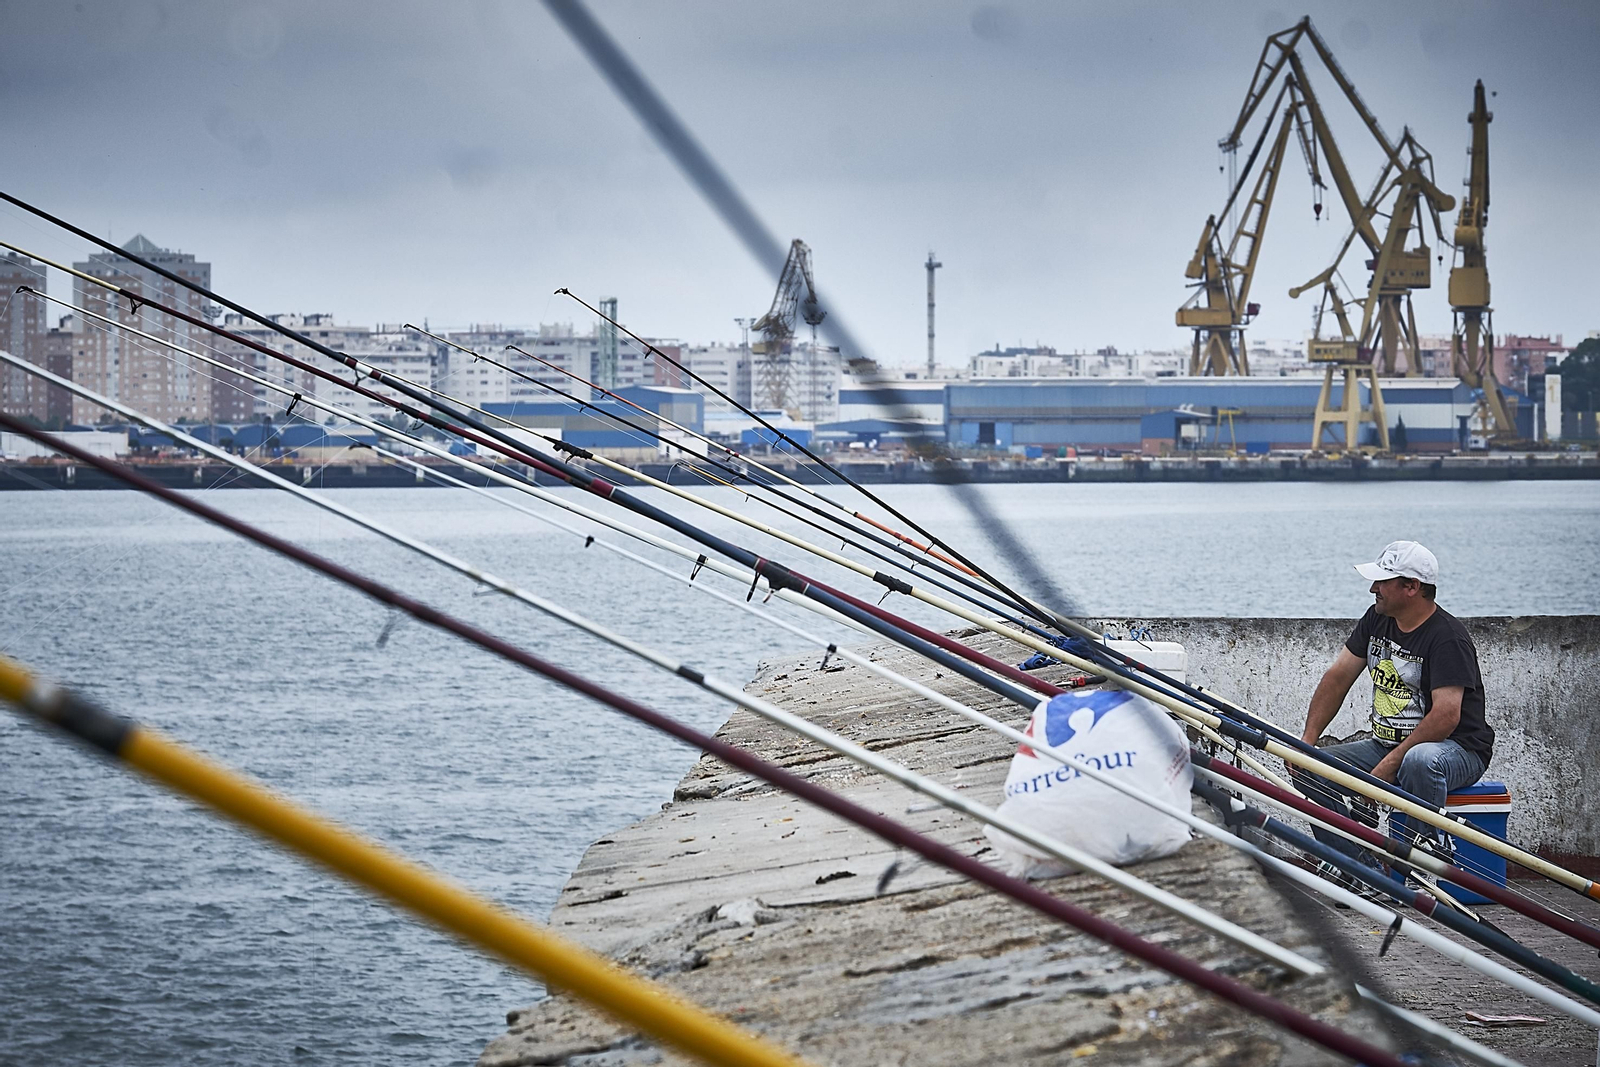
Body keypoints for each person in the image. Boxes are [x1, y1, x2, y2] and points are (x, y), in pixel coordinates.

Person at [1295, 540, 1495, 861]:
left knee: (1420, 761)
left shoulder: (1447, 638)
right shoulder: (1377, 618)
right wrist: (1307, 742)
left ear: (1412, 587)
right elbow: (1338, 677)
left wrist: (1390, 765)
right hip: (1386, 744)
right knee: (1310, 769)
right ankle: (1360, 869)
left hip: (1458, 750)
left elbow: (1446, 716)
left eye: (1382, 582)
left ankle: (1419, 863)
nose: (1373, 588)